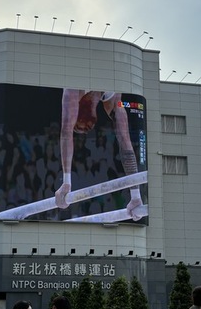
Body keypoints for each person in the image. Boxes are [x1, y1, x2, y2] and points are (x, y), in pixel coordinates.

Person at [54, 89, 145, 221]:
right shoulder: (113, 98)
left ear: (76, 109)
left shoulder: (72, 91)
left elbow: (66, 130)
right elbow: (125, 142)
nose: (85, 130)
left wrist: (66, 182)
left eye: (79, 127)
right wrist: (136, 196)